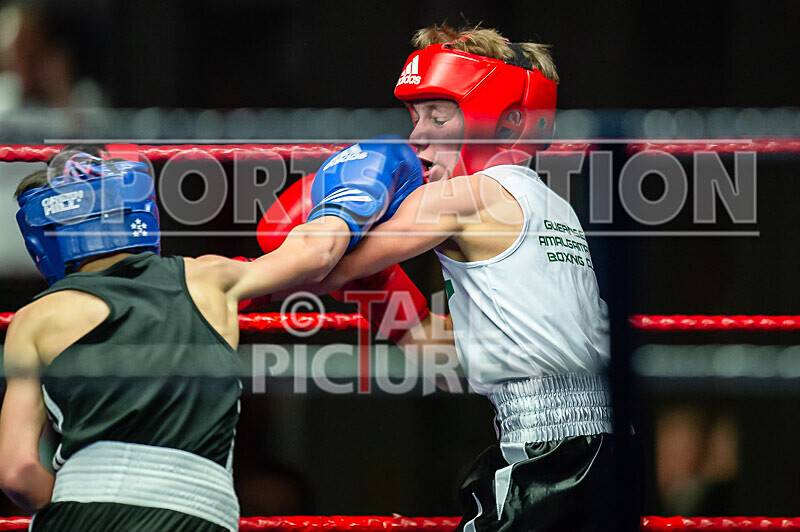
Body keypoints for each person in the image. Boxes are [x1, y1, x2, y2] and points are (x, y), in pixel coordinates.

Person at [310, 24, 640, 531]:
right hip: (609, 444)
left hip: (549, 455)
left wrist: (310, 224)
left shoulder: (466, 197)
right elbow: (454, 355)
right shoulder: (555, 209)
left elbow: (327, 264)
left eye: (438, 117)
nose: (416, 136)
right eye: (415, 117)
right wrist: (378, 289)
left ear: (504, 123)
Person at [0, 144, 419, 531]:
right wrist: (357, 187)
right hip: (194, 512)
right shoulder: (207, 278)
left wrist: (90, 501)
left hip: (79, 509)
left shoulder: (34, 319)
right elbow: (316, 256)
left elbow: (16, 470)